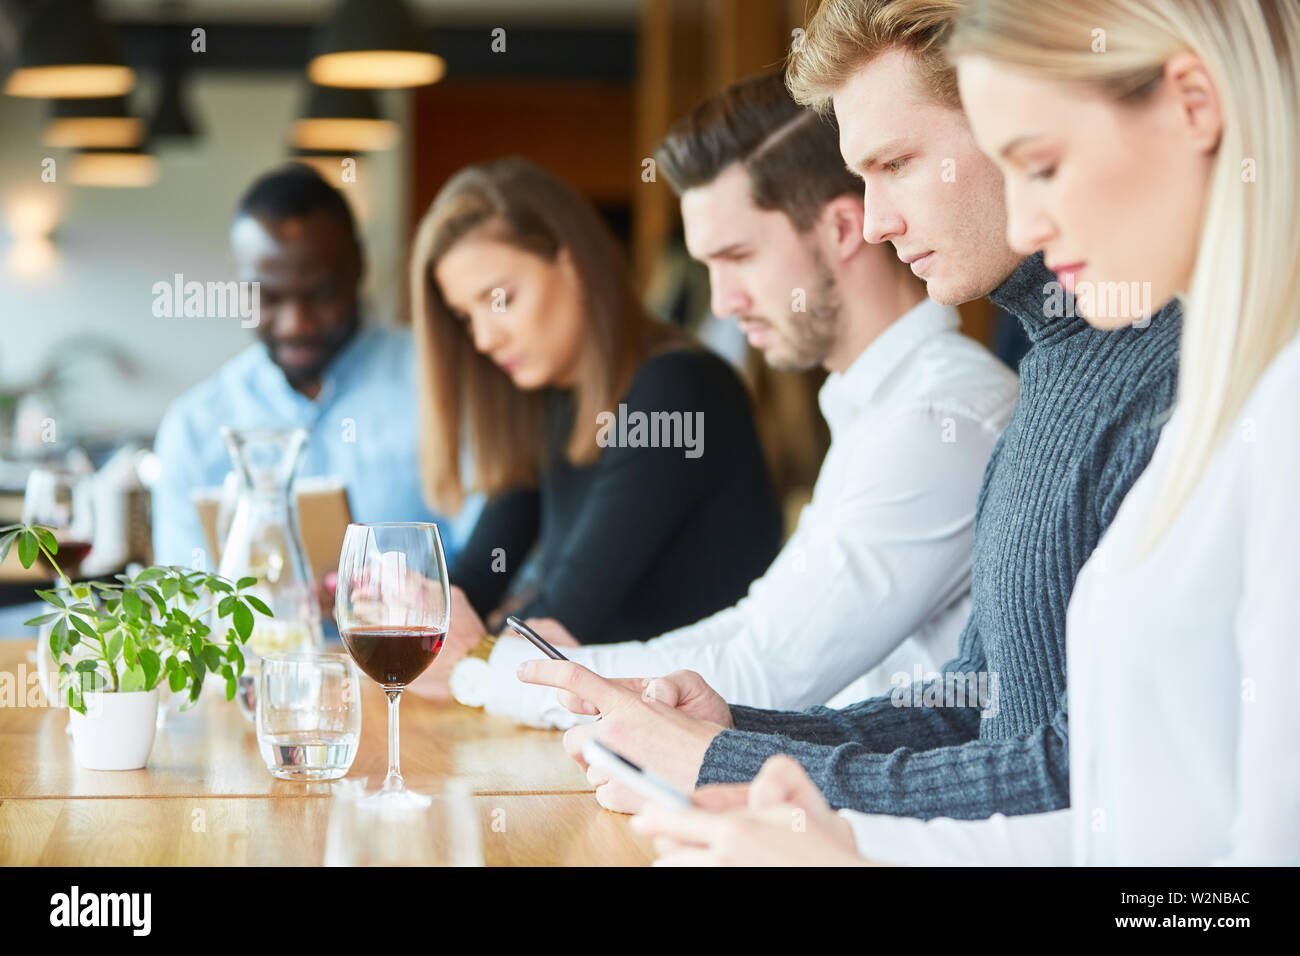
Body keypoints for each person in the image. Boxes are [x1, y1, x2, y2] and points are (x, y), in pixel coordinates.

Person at [634, 0, 1300, 867]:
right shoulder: (1102, 377)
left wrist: (845, 843)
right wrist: (811, 807)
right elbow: (1108, 811)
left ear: (1193, 104)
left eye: (1042, 161)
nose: (1026, 223)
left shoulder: (1234, 403)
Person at [519, 0, 1184, 822]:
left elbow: (1076, 777)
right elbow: (972, 710)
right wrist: (738, 735)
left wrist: (729, 764)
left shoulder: (1155, 375)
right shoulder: (1055, 363)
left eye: (896, 163)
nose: (875, 222)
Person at [477, 73, 1019, 753]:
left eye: (737, 257)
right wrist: (536, 671)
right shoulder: (879, 406)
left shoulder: (935, 420)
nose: (723, 302)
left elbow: (756, 677)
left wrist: (494, 677)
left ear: (844, 227)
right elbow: (752, 627)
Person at [406, 157, 784, 699]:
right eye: (466, 318)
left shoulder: (676, 389)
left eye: (500, 299)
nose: (484, 339)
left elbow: (559, 626)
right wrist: (404, 605)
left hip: (699, 735)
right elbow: (472, 584)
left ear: (572, 261)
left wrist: (465, 646)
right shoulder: (550, 402)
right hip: (599, 728)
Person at [152, 164, 478, 572]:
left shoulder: (445, 383)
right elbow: (183, 599)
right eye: (268, 298)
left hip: (416, 637)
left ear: (360, 267)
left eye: (321, 294)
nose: (296, 325)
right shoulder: (195, 427)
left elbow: (497, 563)